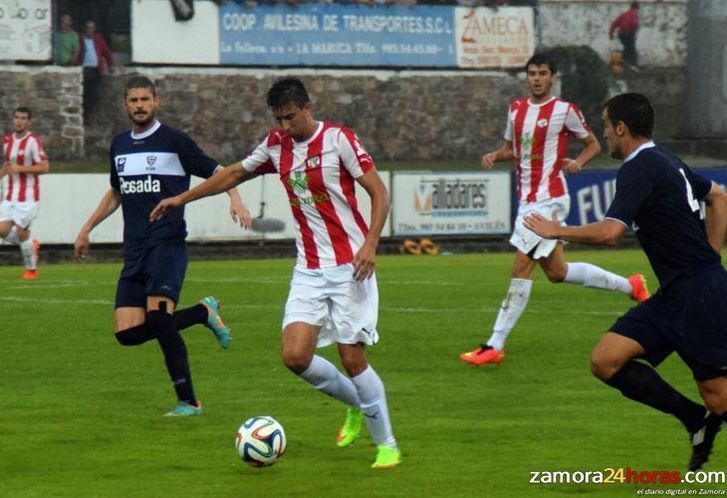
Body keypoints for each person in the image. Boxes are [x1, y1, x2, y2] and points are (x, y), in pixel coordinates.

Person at [149, 77, 401, 469]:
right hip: (308, 269)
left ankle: (386, 443)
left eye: (290, 117)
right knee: (294, 356)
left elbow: (379, 192)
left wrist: (370, 243)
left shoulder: (339, 141)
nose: (284, 126)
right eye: (279, 119)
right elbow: (232, 173)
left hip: (350, 265)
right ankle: (356, 404)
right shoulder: (275, 145)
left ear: (307, 107)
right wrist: (182, 197)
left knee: (352, 358)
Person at [524, 92, 727, 471]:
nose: (604, 134)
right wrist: (710, 257)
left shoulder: (639, 166)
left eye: (606, 126)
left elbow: (610, 234)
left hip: (700, 296)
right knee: (606, 360)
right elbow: (718, 197)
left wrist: (557, 230)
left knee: (720, 398)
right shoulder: (663, 158)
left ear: (621, 128)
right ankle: (695, 421)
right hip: (677, 294)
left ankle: (707, 415)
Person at [74, 75, 252, 417]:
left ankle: (189, 402)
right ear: (125, 105)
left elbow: (221, 171)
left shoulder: (174, 141)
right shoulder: (119, 145)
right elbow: (116, 192)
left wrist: (235, 197)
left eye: (145, 99)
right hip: (135, 249)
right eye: (133, 100)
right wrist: (87, 228)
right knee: (126, 333)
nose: (139, 105)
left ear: (157, 102)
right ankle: (203, 312)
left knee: (159, 319)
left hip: (166, 244)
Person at [459, 52, 649, 366]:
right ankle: (631, 285)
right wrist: (496, 154)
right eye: (532, 73)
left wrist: (578, 162)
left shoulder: (564, 111)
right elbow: (515, 149)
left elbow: (593, 144)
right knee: (557, 272)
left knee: (521, 266)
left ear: (552, 77)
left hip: (550, 198)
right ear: (527, 77)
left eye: (542, 73)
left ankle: (494, 344)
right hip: (528, 198)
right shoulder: (516, 109)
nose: (536, 78)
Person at [0, 107, 48, 280]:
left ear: (29, 122)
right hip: (10, 195)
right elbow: (8, 165)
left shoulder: (33, 142)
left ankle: (31, 270)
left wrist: (21, 168)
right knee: (2, 231)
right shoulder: (7, 141)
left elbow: (44, 167)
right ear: (13, 120)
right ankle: (30, 244)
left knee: (21, 232)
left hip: (28, 197)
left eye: (23, 118)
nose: (19, 121)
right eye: (17, 117)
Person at [78, 20, 114, 118]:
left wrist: (111, 65)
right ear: (85, 29)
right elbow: (77, 53)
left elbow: (106, 52)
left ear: (94, 29)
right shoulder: (81, 38)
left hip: (95, 70)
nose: (90, 30)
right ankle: (84, 114)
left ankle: (88, 114)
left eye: (92, 28)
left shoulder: (98, 38)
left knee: (93, 93)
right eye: (88, 28)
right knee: (84, 92)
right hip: (84, 70)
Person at [609, 2, 640, 70]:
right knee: (631, 49)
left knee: (627, 47)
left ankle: (622, 63)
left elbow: (614, 23)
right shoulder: (634, 15)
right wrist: (633, 35)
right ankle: (630, 65)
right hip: (627, 33)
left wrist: (610, 33)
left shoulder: (624, 14)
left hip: (621, 34)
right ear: (636, 8)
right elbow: (634, 25)